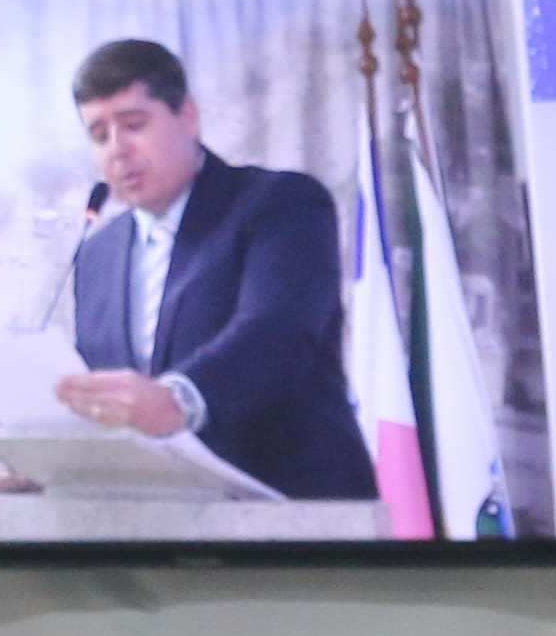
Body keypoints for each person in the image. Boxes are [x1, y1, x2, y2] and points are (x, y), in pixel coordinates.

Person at [51, 36, 374, 504]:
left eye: (134, 125)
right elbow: (108, 391)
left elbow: (276, 331)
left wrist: (176, 401)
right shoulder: (98, 254)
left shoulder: (280, 204)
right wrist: (47, 463)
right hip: (161, 515)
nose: (117, 150)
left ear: (187, 116)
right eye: (99, 135)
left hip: (294, 505)